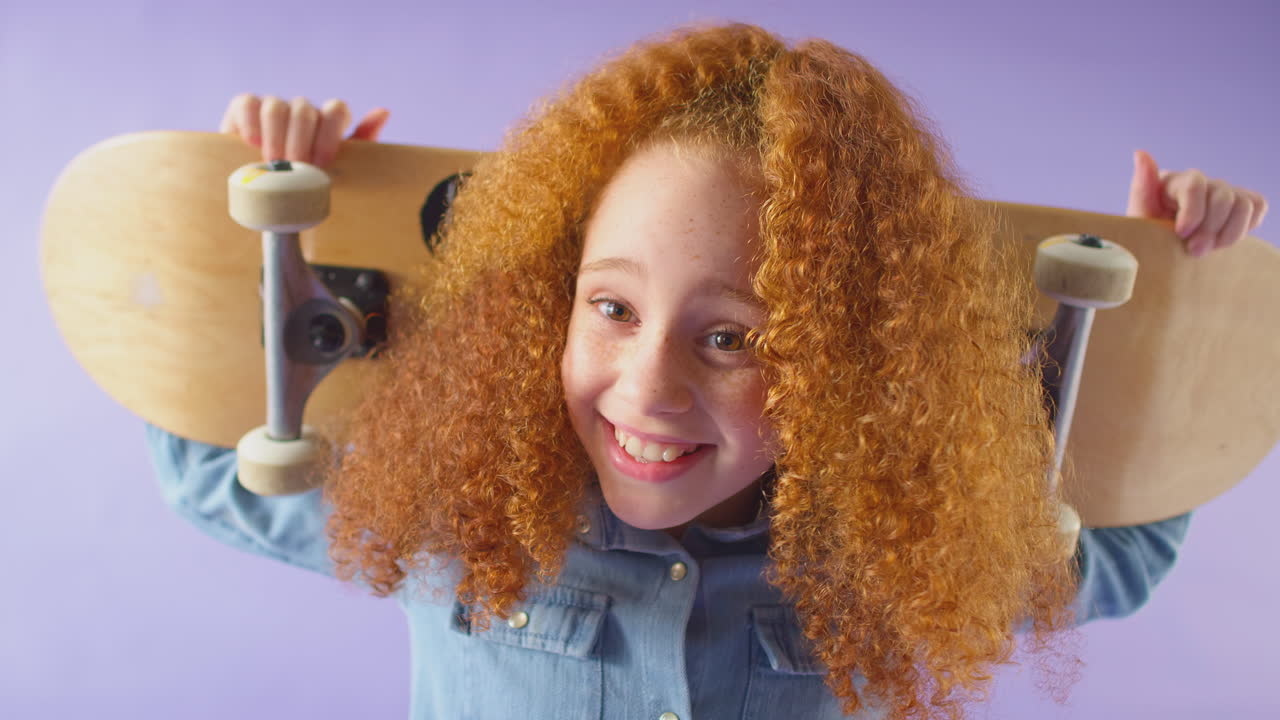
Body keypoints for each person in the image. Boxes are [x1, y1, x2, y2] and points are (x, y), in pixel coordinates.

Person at [148, 23, 1267, 720]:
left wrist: (1166, 313)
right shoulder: (461, 514)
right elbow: (212, 467)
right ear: (553, 299)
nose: (647, 386)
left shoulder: (892, 548)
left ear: (840, 353)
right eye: (612, 308)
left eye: (732, 338)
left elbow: (1121, 548)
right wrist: (243, 236)